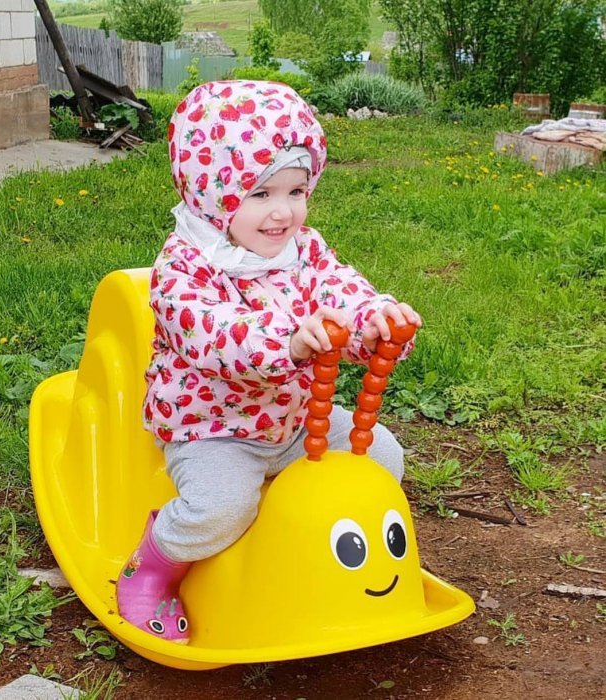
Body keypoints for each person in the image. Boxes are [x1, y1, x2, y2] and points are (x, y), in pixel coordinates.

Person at [116, 80, 422, 644]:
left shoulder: (304, 250)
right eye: (260, 194)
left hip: (295, 420)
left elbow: (343, 292)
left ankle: (311, 548)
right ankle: (155, 564)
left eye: (297, 190)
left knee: (382, 457)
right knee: (220, 508)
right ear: (213, 192)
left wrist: (376, 321)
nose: (284, 212)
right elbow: (214, 335)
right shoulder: (184, 267)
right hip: (215, 426)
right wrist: (288, 343)